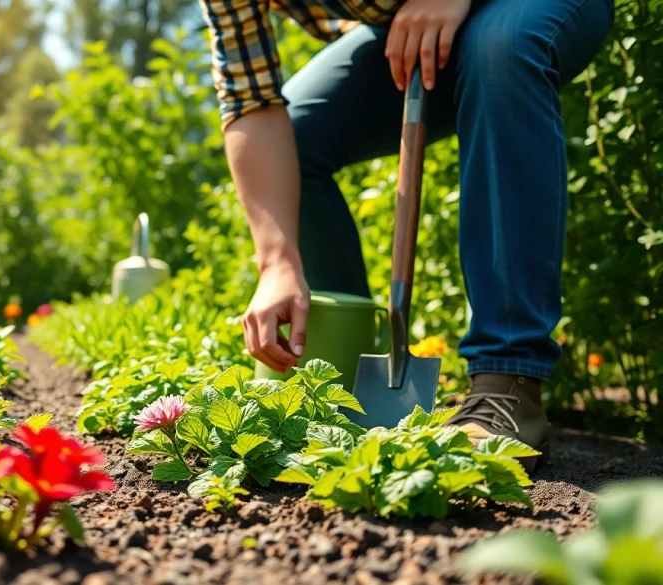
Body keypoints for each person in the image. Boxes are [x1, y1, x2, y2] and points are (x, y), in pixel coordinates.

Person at [198, 0, 614, 469]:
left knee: (500, 48)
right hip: (407, 27)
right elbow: (250, 96)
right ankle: (341, 384)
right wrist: (276, 261)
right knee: (293, 140)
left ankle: (509, 380)